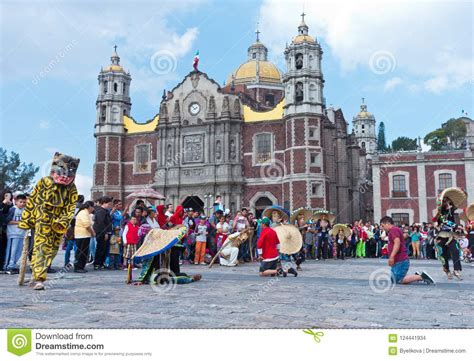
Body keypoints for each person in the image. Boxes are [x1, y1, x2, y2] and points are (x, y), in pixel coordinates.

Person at [18, 152, 79, 290]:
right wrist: (28, 220)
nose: (65, 175)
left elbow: (70, 207)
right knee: (41, 247)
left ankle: (37, 272)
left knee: (52, 250)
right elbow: (33, 200)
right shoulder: (45, 182)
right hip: (42, 220)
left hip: (58, 223)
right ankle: (38, 278)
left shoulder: (71, 188)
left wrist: (63, 221)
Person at [380, 216, 435, 285]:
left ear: (387, 223)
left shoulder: (393, 230)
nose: (382, 228)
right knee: (393, 279)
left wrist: (391, 256)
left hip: (400, 260)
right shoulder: (394, 230)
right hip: (398, 261)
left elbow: (397, 242)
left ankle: (421, 277)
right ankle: (415, 276)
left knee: (398, 280)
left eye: (383, 226)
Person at [4, 194, 28, 274]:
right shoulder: (13, 209)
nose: (22, 204)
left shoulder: (26, 210)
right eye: (21, 202)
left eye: (24, 202)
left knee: (19, 251)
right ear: (16, 202)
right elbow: (8, 221)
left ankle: (13, 265)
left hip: (22, 234)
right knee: (12, 251)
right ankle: (8, 267)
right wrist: (20, 222)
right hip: (13, 234)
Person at [73, 201, 95, 273]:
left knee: (84, 252)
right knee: (81, 252)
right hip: (82, 235)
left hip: (85, 235)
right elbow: (87, 225)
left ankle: (81, 266)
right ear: (89, 207)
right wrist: (92, 232)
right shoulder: (83, 213)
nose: (93, 208)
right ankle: (78, 267)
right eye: (93, 207)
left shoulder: (86, 213)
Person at [93, 196, 113, 270]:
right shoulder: (101, 211)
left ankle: (101, 263)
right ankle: (97, 264)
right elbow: (101, 223)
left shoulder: (105, 211)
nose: (110, 205)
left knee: (104, 249)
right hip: (102, 233)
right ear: (104, 203)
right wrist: (105, 233)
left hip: (106, 232)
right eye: (109, 204)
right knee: (100, 248)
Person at [0, 190, 14, 273]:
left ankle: (3, 265)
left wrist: (9, 204)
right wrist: (3, 204)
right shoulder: (1, 205)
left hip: (6, 231)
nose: (8, 198)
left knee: (4, 249)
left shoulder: (11, 206)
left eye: (9, 196)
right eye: (6, 195)